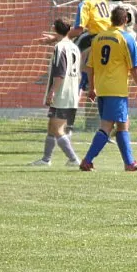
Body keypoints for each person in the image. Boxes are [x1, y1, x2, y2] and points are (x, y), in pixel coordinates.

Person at [79, 6, 137, 172]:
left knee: (123, 124)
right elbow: (134, 67)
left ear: (111, 19)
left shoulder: (98, 38)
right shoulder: (126, 38)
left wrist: (92, 88)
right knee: (107, 126)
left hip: (102, 89)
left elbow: (90, 66)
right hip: (116, 90)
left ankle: (129, 163)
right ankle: (87, 160)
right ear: (125, 20)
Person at [41, 0, 111, 134]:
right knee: (91, 71)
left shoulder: (84, 4)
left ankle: (66, 75)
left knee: (69, 50)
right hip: (109, 37)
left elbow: (79, 29)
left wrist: (54, 38)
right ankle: (86, 80)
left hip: (96, 37)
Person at [30, 18, 82, 167]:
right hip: (71, 92)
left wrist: (52, 92)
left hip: (62, 93)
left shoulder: (60, 47)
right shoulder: (74, 47)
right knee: (51, 126)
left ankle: (73, 159)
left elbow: (60, 74)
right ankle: (46, 159)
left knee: (57, 128)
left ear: (54, 29)